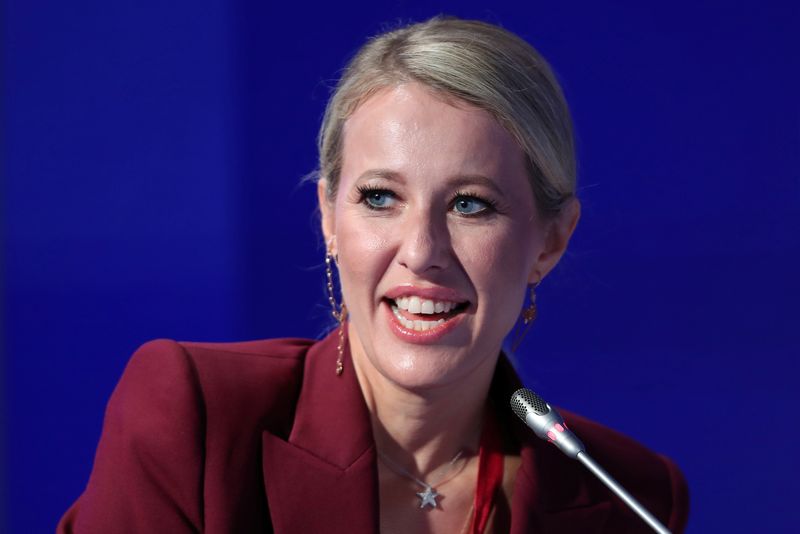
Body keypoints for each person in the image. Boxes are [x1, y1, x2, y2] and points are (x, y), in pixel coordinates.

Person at [59, 16, 689, 534]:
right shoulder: (196, 419)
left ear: (551, 240)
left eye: (470, 204)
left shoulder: (628, 495)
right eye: (381, 197)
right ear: (329, 218)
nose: (421, 251)